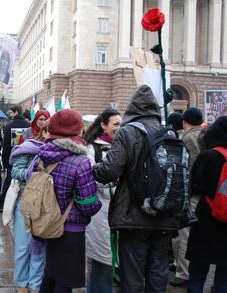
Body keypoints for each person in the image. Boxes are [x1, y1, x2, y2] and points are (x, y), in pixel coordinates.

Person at [94, 85, 181, 292]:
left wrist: (93, 167)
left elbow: (109, 171)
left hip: (134, 214)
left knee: (132, 274)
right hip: (165, 213)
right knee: (158, 272)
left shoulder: (128, 132)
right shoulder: (169, 132)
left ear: (132, 108)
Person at [27, 109, 101, 292]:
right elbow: (87, 204)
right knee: (64, 282)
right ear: (77, 131)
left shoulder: (41, 155)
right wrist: (99, 204)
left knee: (50, 275)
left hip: (47, 225)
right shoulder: (81, 161)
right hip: (71, 231)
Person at [186, 116, 227, 292]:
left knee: (197, 275)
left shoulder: (208, 156)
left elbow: (195, 185)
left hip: (206, 220)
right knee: (224, 279)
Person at [83, 108, 122, 293]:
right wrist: (113, 178)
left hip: (119, 212)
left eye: (121, 124)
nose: (119, 127)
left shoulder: (121, 146)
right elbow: (90, 179)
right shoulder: (92, 148)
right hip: (100, 211)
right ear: (103, 125)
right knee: (102, 258)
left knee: (109, 258)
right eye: (116, 124)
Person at [9, 119, 49, 293]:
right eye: (47, 131)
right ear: (43, 131)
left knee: (40, 248)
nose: (50, 135)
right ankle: (21, 285)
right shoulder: (29, 147)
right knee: (23, 247)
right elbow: (15, 172)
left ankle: (35, 286)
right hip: (25, 202)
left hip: (46, 206)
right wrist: (34, 172)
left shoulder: (58, 151)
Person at [170, 107, 205, 287]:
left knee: (184, 233)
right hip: (207, 194)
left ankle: (183, 272)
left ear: (185, 121)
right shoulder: (207, 134)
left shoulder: (189, 138)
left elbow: (187, 168)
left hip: (191, 193)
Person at [1, 105, 30, 212]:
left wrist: (5, 162)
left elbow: (6, 146)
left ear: (16, 112)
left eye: (11, 113)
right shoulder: (28, 125)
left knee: (8, 183)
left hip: (11, 160)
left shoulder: (9, 126)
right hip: (25, 160)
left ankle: (3, 205)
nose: (11, 115)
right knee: (23, 185)